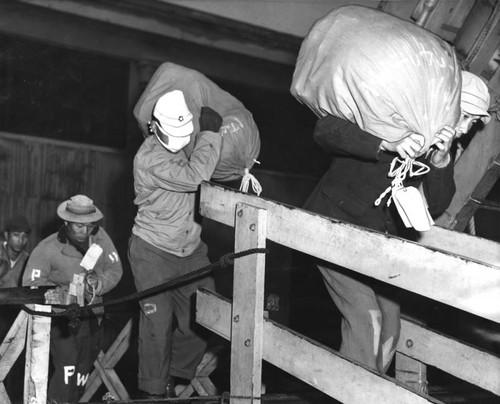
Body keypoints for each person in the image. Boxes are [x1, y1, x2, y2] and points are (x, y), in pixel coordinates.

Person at [303, 70, 491, 374]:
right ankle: (356, 393)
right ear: (448, 106)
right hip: (331, 224)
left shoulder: (442, 144)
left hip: (373, 239)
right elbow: (326, 130)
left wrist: (441, 162)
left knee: (391, 325)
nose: (467, 128)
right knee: (368, 321)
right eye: (466, 117)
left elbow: (439, 203)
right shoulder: (393, 113)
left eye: (472, 122)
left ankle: (369, 389)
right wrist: (387, 143)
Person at [128, 89, 224, 399]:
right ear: (155, 127)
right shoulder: (150, 158)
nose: (183, 142)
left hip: (191, 250)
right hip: (152, 252)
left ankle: (174, 374)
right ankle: (154, 392)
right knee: (157, 324)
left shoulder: (182, 144)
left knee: (204, 317)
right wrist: (210, 134)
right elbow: (197, 177)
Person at [22, 195, 123, 403]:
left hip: (93, 316)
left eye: (89, 226)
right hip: (61, 320)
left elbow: (115, 268)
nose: (85, 232)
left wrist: (99, 283)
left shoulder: (101, 238)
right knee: (67, 368)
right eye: (78, 226)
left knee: (83, 370)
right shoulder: (46, 249)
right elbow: (29, 285)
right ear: (66, 222)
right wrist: (56, 294)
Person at [0, 214, 31, 287]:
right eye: (16, 235)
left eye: (25, 236)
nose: (20, 240)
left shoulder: (28, 261)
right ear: (6, 235)